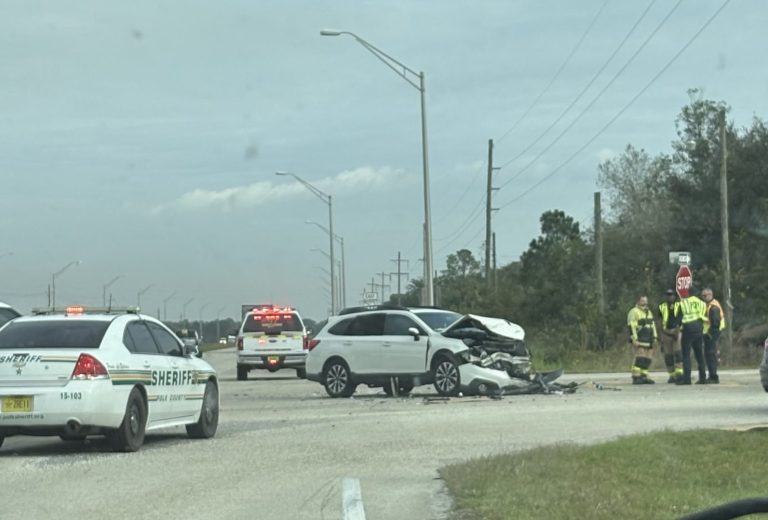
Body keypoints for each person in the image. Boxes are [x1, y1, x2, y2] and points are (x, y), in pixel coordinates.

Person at [677, 289, 708, 385]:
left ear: (687, 293)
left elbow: (679, 318)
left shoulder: (683, 303)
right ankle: (702, 378)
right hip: (698, 328)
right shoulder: (702, 303)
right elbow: (704, 316)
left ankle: (687, 379)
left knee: (686, 355)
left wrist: (679, 328)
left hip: (687, 329)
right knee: (699, 354)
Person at [627, 295, 657, 384]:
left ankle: (644, 376)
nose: (645, 303)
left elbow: (653, 325)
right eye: (643, 301)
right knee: (640, 358)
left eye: (646, 301)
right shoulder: (633, 312)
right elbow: (631, 326)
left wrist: (655, 337)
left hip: (649, 339)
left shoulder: (649, 312)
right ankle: (636, 377)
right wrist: (634, 339)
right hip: (640, 339)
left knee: (647, 359)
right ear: (638, 301)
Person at [657, 289, 683, 383]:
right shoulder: (661, 306)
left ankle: (679, 373)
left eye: (671, 295)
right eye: (668, 295)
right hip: (666, 332)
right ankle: (671, 375)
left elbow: (681, 318)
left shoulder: (679, 305)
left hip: (676, 331)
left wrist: (678, 330)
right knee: (668, 355)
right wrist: (660, 334)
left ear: (674, 296)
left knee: (678, 353)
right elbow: (659, 321)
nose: (669, 297)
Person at [701, 287, 725, 384]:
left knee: (710, 355)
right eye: (702, 295)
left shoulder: (713, 307)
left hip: (712, 333)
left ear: (710, 295)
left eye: (705, 295)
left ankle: (713, 376)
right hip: (710, 333)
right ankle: (712, 375)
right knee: (710, 355)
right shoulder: (709, 305)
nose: (703, 297)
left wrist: (710, 334)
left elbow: (715, 323)